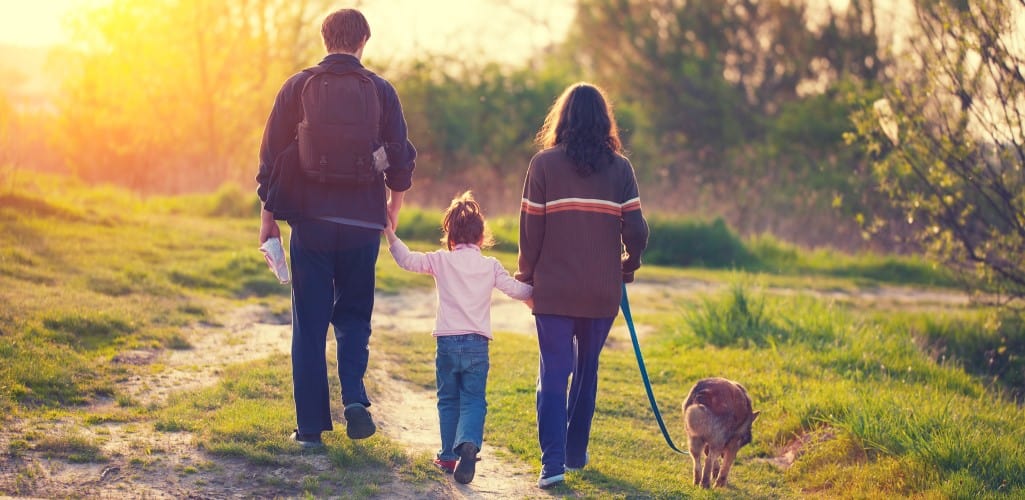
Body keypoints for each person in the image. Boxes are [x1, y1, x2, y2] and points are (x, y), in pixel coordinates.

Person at [255, 8, 416, 447]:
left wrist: (268, 217)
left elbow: (271, 157)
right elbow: (398, 159)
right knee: (353, 317)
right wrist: (392, 209)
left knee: (309, 324)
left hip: (311, 222)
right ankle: (355, 399)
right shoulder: (381, 91)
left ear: (325, 39)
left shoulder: (299, 86)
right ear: (364, 41)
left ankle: (309, 431)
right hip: (363, 223)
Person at [516, 82, 649, 488]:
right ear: (604, 121)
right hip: (600, 291)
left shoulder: (543, 165)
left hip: (554, 290)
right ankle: (575, 453)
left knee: (554, 374)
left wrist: (527, 276)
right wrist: (629, 265)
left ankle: (552, 464)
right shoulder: (620, 169)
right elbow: (638, 230)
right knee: (587, 371)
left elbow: (530, 231)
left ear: (563, 119)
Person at [384, 191, 532, 484]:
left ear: (450, 236)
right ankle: (469, 444)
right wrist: (541, 287)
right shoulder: (490, 266)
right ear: (481, 237)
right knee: (474, 399)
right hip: (477, 344)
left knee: (448, 399)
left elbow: (406, 260)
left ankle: (448, 455)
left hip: (447, 343)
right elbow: (519, 291)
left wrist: (389, 232)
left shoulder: (441, 260)